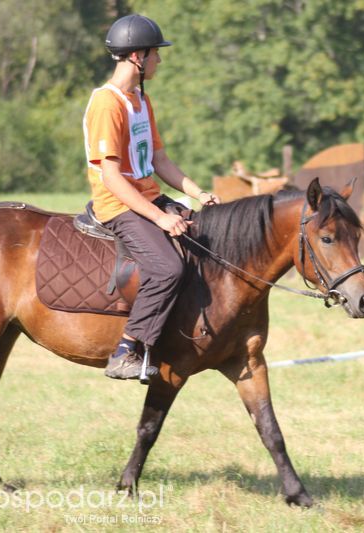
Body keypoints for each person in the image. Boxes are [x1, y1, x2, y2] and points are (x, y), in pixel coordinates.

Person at [83, 13, 220, 381]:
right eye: (156, 54)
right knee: (167, 268)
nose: (160, 60)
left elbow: (159, 160)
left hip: (149, 197)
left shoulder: (142, 100)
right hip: (118, 205)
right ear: (138, 57)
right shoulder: (107, 104)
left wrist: (198, 193)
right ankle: (127, 349)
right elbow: (111, 176)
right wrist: (161, 218)